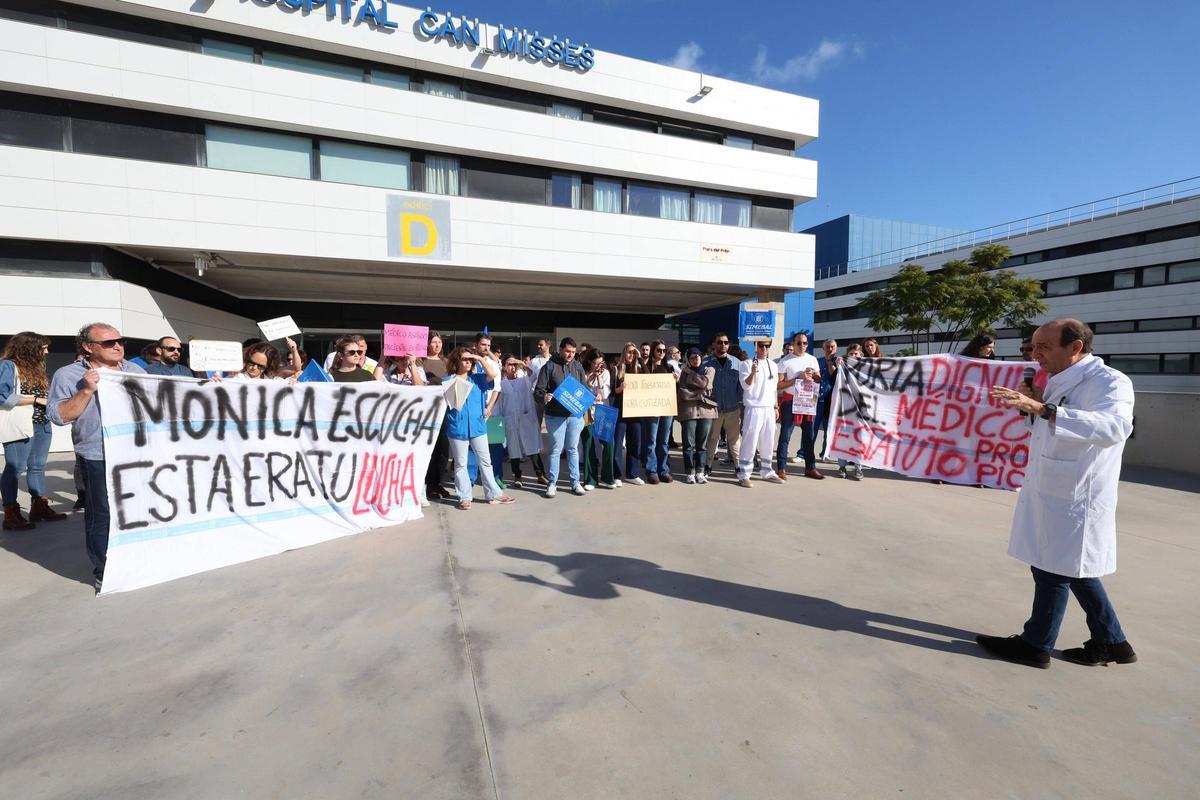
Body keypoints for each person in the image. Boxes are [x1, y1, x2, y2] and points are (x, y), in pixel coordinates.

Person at [977, 319, 1136, 669]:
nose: (1035, 354)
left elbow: (1115, 427)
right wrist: (1033, 406)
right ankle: (1113, 641)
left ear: (1075, 347)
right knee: (1071, 568)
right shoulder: (1056, 381)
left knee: (1052, 569)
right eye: (1032, 347)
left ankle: (1035, 644)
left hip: (1078, 494)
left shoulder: (1109, 382)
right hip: (1051, 488)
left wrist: (1044, 409)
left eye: (1043, 347)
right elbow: (1047, 427)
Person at [48, 323, 146, 591]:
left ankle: (137, 559)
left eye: (121, 341)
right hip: (97, 454)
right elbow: (60, 416)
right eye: (108, 342)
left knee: (136, 509)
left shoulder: (135, 370)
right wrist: (86, 391)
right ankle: (105, 569)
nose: (118, 346)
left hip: (136, 451)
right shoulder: (68, 375)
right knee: (102, 513)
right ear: (88, 347)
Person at [2, 332, 68, 529]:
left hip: (42, 423)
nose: (47, 351)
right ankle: (10, 512)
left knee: (38, 466)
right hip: (20, 424)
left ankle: (39, 506)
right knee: (15, 467)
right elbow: (2, 395)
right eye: (43, 347)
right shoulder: (7, 366)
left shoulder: (37, 368)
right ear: (29, 348)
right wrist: (36, 399)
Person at [441, 347, 515, 510]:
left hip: (478, 426)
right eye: (464, 359)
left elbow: (493, 375)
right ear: (456, 361)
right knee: (460, 463)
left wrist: (478, 357)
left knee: (485, 462)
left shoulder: (478, 379)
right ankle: (464, 497)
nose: (467, 362)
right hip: (457, 427)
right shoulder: (448, 380)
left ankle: (493, 494)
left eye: (470, 360)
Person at [534, 337, 587, 497]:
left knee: (572, 449)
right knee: (555, 450)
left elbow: (584, 388)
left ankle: (575, 483)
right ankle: (552, 484)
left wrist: (590, 398)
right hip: (555, 416)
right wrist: (544, 397)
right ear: (561, 349)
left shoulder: (578, 366)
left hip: (574, 416)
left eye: (573, 352)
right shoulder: (549, 366)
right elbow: (538, 390)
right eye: (568, 351)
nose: (570, 355)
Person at [776, 332, 824, 481]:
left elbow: (818, 379)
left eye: (805, 343)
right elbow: (779, 385)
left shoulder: (812, 359)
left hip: (808, 401)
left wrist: (813, 377)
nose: (802, 346)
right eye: (799, 343)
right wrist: (797, 378)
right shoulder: (785, 361)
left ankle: (810, 467)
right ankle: (781, 468)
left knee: (809, 436)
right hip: (790, 400)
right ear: (793, 343)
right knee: (786, 435)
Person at [736, 340, 783, 487]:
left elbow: (774, 388)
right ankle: (744, 474)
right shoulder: (746, 364)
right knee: (749, 441)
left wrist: (775, 406)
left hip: (769, 408)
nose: (764, 348)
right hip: (753, 407)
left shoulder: (773, 365)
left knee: (768, 441)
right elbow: (745, 385)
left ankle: (767, 471)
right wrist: (752, 373)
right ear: (755, 346)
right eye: (761, 345)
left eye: (767, 346)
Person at [497, 357, 546, 488]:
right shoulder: (501, 384)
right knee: (514, 449)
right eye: (509, 364)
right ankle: (517, 476)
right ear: (503, 367)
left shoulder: (524, 381)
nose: (512, 367)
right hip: (510, 420)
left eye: (514, 365)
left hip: (526, 419)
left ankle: (540, 474)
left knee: (532, 447)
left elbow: (534, 374)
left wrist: (522, 363)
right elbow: (500, 405)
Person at [702, 332, 742, 475]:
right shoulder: (705, 363)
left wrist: (737, 399)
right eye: (719, 342)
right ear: (714, 344)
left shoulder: (737, 363)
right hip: (713, 408)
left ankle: (738, 467)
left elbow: (741, 385)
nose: (723, 345)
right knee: (712, 439)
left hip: (732, 408)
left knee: (735, 440)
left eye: (725, 342)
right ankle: (708, 466)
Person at [579, 349, 618, 491]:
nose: (599, 366)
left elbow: (605, 392)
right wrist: (591, 376)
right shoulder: (582, 373)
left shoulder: (605, 373)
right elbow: (581, 389)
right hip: (587, 411)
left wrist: (599, 377)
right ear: (589, 361)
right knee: (588, 442)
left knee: (609, 443)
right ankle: (590, 479)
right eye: (596, 363)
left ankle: (608, 477)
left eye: (601, 363)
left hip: (602, 410)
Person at [677, 347, 716, 484]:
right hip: (689, 413)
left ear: (701, 357)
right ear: (688, 359)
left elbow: (706, 383)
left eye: (697, 357)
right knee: (688, 445)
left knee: (702, 445)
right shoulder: (683, 373)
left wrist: (691, 375)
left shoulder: (709, 370)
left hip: (706, 413)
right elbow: (683, 393)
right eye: (692, 358)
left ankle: (700, 471)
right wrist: (700, 394)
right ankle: (689, 472)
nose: (695, 359)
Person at [642, 339, 677, 484]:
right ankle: (651, 471)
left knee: (663, 441)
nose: (662, 353)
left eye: (664, 351)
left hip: (666, 407)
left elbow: (675, 387)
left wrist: (676, 380)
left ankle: (664, 470)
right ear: (653, 351)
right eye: (659, 350)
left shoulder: (669, 368)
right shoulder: (647, 367)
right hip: (651, 408)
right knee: (651, 440)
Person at [612, 342, 646, 486]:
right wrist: (620, 388)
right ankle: (617, 475)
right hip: (620, 411)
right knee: (618, 445)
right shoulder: (616, 369)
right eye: (629, 352)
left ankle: (632, 474)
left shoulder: (638, 368)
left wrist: (641, 359)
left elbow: (649, 378)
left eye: (633, 352)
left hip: (635, 412)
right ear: (624, 353)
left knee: (635, 444)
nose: (631, 355)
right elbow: (612, 391)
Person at [423, 331, 451, 500]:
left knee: (443, 448)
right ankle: (427, 483)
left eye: (439, 342)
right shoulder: (420, 361)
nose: (437, 345)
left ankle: (437, 482)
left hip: (445, 408)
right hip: (426, 410)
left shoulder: (446, 362)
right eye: (433, 342)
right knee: (430, 449)